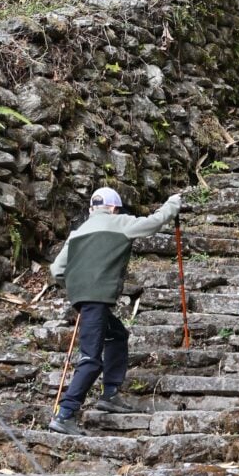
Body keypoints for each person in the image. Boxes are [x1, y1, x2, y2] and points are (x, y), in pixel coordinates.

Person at [49, 186, 181, 436]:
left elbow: (57, 269)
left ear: (91, 209)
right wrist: (172, 204)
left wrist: (78, 287)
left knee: (117, 334)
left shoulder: (77, 232)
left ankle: (110, 394)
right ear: (113, 208)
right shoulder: (119, 222)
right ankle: (66, 413)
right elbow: (153, 223)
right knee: (90, 358)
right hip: (97, 299)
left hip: (83, 298)